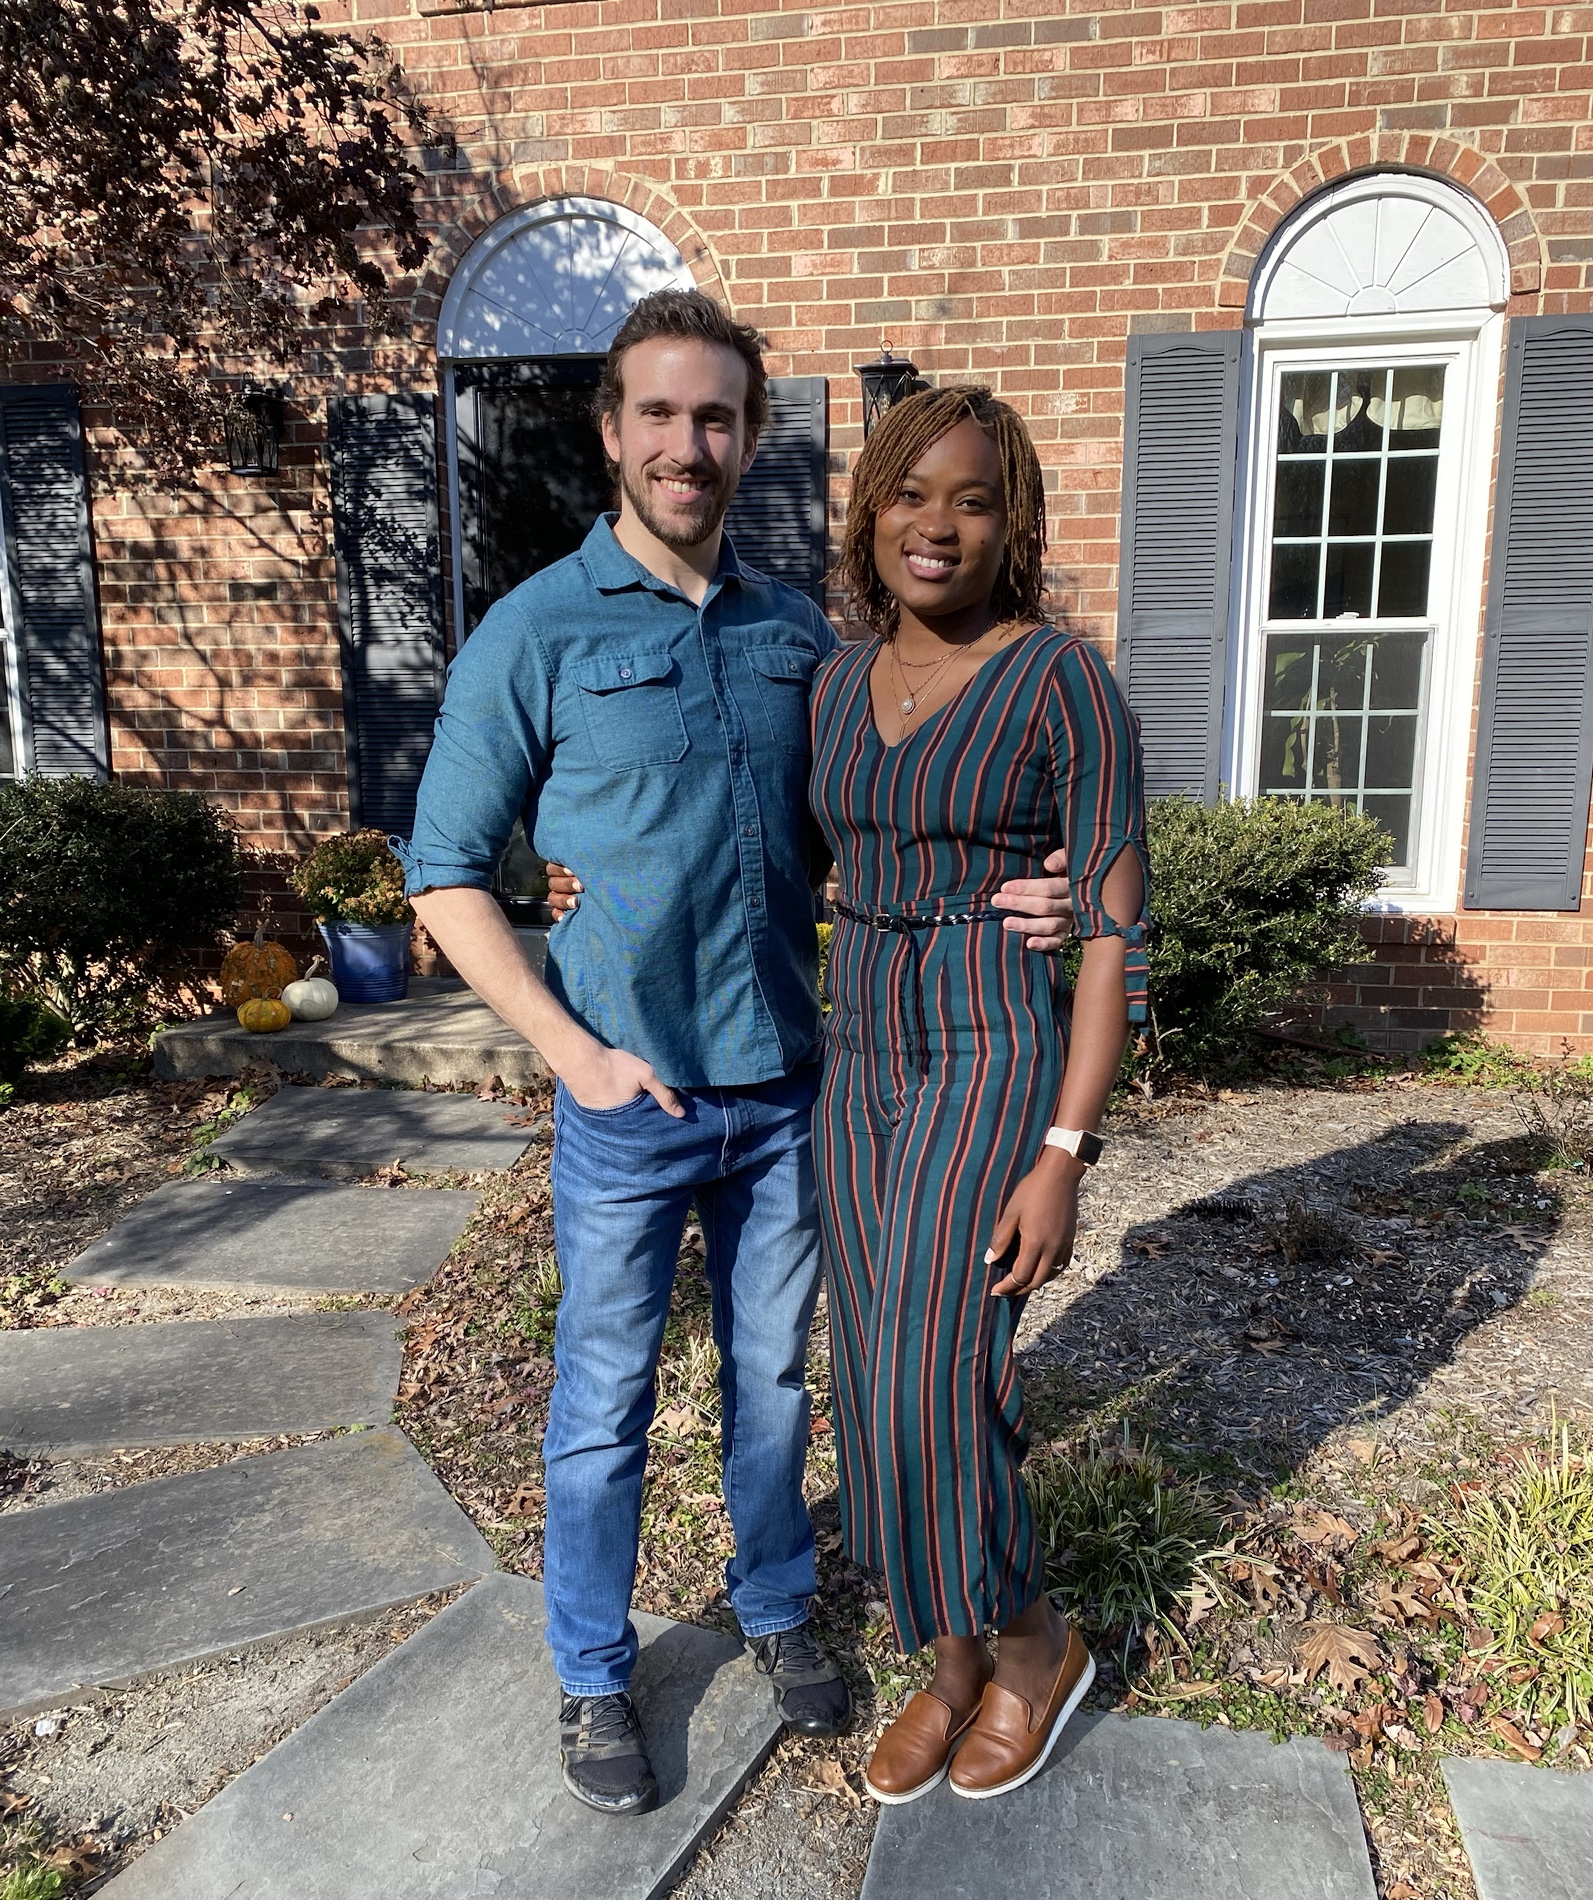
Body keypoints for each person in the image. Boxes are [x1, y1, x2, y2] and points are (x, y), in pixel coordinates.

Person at [398, 290, 1074, 1817]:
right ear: (610, 431)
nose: (685, 444)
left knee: (771, 1379)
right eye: (657, 412)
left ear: (751, 436)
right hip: (625, 1096)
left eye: (714, 416)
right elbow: (441, 873)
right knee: (602, 1404)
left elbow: (883, 836)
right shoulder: (535, 632)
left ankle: (774, 1607)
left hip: (784, 1094)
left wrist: (1035, 892)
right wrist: (569, 1050)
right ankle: (592, 1669)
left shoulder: (795, 640)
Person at [808, 386, 1149, 1805]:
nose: (936, 525)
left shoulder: (1060, 678)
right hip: (857, 1053)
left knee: (935, 1373)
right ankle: (946, 1664)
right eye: (910, 492)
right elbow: (788, 857)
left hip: (986, 1038)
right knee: (863, 1368)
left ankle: (1030, 1644)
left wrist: (1064, 1148)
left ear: (1014, 527)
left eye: (972, 500)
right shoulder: (834, 682)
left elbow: (1115, 930)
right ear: (869, 511)